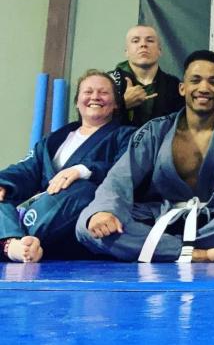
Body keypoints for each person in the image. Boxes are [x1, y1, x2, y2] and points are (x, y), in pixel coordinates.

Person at [76, 50, 214, 262]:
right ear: (182, 88)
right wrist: (105, 210)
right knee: (88, 225)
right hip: (161, 219)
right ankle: (199, 254)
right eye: (195, 80)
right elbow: (121, 176)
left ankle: (160, 249)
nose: (204, 88)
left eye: (213, 82)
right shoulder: (155, 130)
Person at [0, 70, 134, 262]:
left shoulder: (126, 136)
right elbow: (27, 169)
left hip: (68, 218)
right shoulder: (55, 139)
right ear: (77, 102)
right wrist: (4, 183)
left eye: (103, 92)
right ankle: (16, 245)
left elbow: (126, 171)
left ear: (116, 104)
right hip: (37, 207)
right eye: (88, 92)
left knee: (84, 190)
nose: (95, 97)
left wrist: (83, 170)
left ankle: (13, 239)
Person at [110, 25, 183, 126]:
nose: (143, 44)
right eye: (136, 41)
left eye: (150, 41)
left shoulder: (173, 85)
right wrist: (124, 103)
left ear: (159, 51)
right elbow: (93, 120)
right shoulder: (109, 82)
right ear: (126, 52)